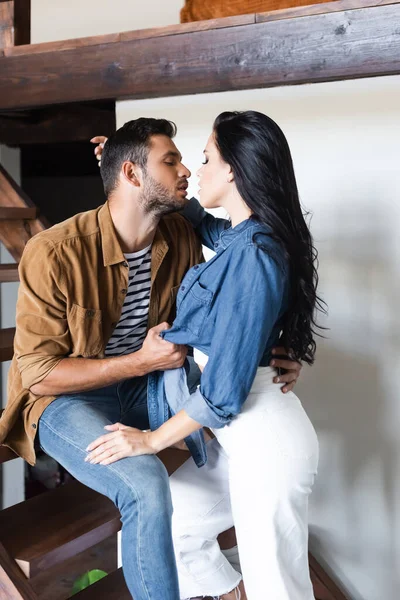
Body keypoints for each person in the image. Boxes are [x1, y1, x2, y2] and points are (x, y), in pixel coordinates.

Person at [0, 117, 301, 600]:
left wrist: (274, 350)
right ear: (134, 176)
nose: (186, 170)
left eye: (192, 159)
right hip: (62, 401)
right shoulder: (52, 252)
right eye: (171, 160)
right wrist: (140, 362)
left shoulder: (180, 233)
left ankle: (236, 583)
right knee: (144, 483)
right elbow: (38, 375)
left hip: (150, 389)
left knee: (249, 437)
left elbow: (237, 294)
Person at [87, 111, 323, 600]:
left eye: (206, 157)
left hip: (264, 442)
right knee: (175, 525)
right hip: (239, 438)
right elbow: (198, 219)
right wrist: (123, 160)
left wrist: (150, 440)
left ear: (233, 168)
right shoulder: (241, 237)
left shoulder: (256, 253)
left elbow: (222, 394)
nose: (195, 169)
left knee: (277, 588)